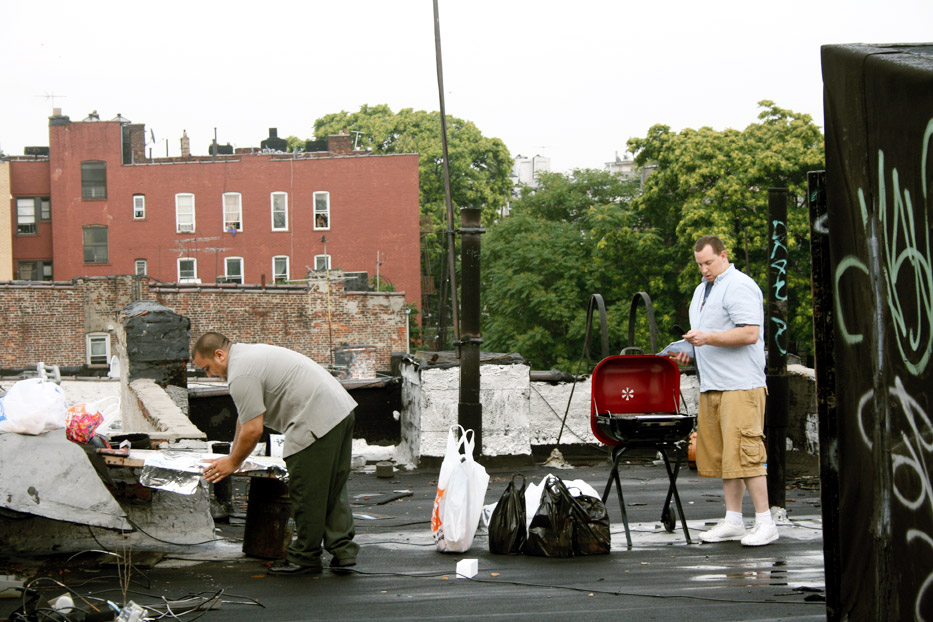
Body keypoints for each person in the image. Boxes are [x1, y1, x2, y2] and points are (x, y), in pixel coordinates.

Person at [193, 332, 360, 573]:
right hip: (339, 410)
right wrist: (232, 455)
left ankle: (305, 557)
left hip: (315, 419)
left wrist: (233, 462)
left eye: (207, 368)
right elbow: (246, 416)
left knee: (307, 491)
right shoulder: (248, 356)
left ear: (219, 354)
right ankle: (343, 550)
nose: (209, 375)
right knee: (331, 488)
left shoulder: (240, 373)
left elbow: (253, 430)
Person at [669, 235, 778, 546]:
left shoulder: (739, 285)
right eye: (700, 264)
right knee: (727, 458)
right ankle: (733, 519)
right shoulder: (702, 290)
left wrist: (707, 339)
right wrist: (690, 351)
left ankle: (765, 521)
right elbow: (707, 336)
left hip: (741, 385)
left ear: (723, 255)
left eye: (709, 262)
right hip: (713, 384)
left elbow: (749, 333)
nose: (704, 269)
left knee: (747, 455)